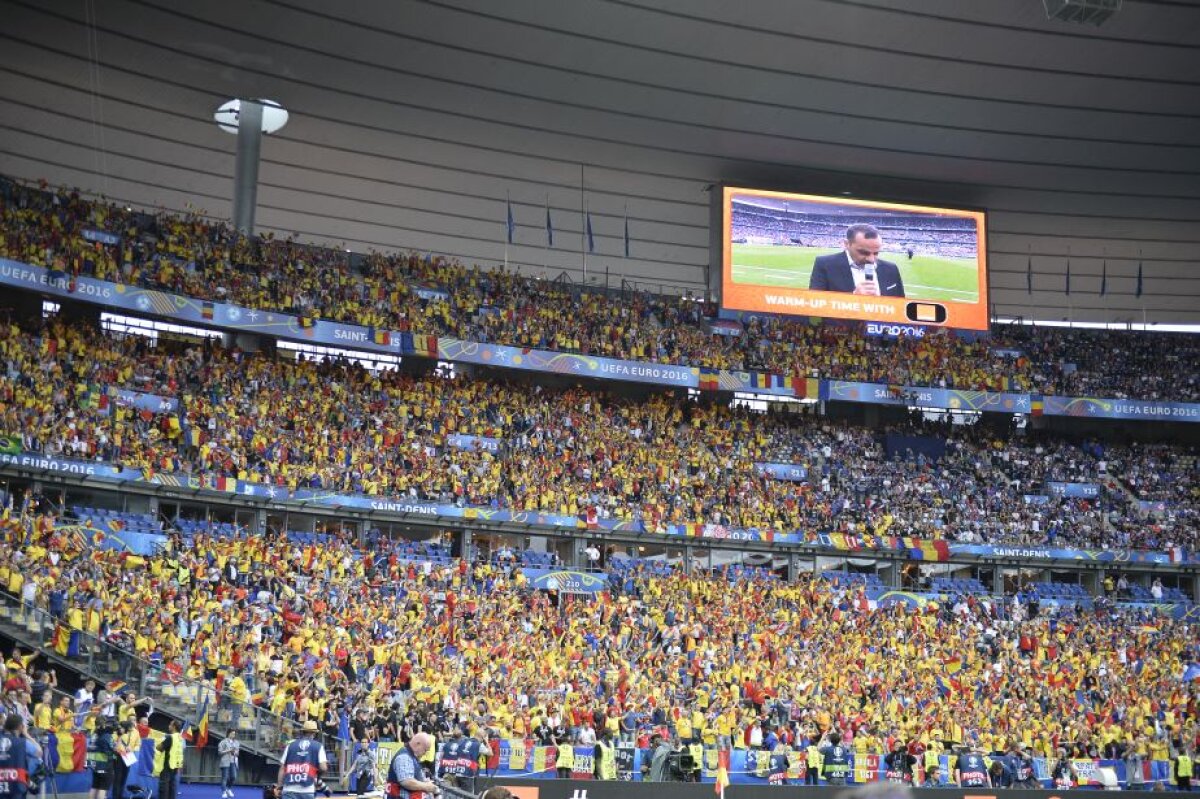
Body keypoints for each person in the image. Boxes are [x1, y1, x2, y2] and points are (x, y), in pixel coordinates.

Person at [808, 224, 906, 297]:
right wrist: (853, 297)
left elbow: (901, 307)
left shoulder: (891, 269)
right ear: (847, 244)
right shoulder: (825, 265)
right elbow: (815, 305)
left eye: (876, 253)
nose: (871, 259)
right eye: (864, 252)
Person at [1, 713, 43, 799]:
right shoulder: (23, 743)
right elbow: (39, 753)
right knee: (38, 760)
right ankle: (30, 781)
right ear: (21, 727)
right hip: (17, 786)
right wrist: (27, 735)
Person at [386, 731, 439, 799]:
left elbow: (412, 777)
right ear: (418, 744)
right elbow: (407, 781)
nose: (425, 753)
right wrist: (426, 786)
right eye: (425, 750)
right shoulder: (404, 757)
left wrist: (423, 781)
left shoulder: (412, 756)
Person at [153, 720, 184, 799]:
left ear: (174, 727)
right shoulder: (180, 738)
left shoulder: (170, 737)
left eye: (170, 725)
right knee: (172, 788)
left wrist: (160, 741)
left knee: (164, 789)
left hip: (167, 766)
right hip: (175, 766)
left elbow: (159, 748)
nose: (168, 726)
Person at [112, 718, 142, 799]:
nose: (133, 721)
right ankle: (115, 796)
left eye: (135, 720)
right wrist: (121, 748)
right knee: (117, 778)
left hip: (128, 756)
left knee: (124, 778)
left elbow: (138, 744)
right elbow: (113, 740)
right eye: (132, 720)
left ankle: (120, 796)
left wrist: (132, 749)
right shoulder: (120, 729)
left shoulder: (136, 732)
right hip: (119, 755)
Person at [89, 719, 116, 799]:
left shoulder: (93, 734)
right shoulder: (106, 736)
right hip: (105, 766)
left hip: (94, 765)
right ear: (104, 725)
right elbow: (110, 750)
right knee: (103, 788)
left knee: (95, 786)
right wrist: (115, 755)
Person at [218, 729, 240, 798]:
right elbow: (219, 752)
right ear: (228, 734)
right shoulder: (223, 742)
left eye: (234, 734)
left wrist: (235, 753)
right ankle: (224, 791)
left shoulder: (237, 742)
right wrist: (229, 750)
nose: (233, 735)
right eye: (232, 733)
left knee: (234, 777)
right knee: (224, 778)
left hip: (233, 761)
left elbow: (237, 753)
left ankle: (229, 789)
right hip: (225, 762)